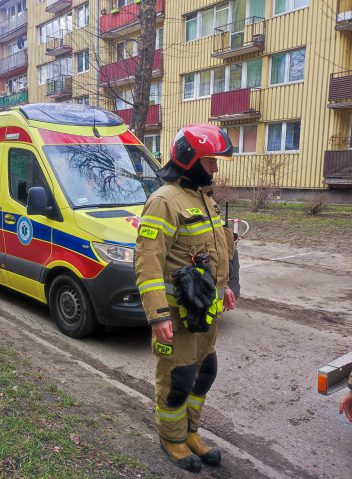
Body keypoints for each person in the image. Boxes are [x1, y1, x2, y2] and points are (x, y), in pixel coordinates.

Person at [134, 124, 237, 472]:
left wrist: (223, 287)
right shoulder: (164, 201)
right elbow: (148, 262)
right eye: (210, 162)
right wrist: (158, 315)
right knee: (177, 380)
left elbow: (213, 250)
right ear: (190, 159)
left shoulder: (203, 199)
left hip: (204, 312)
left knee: (205, 371)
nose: (215, 169)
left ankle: (191, 431)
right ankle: (172, 439)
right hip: (176, 317)